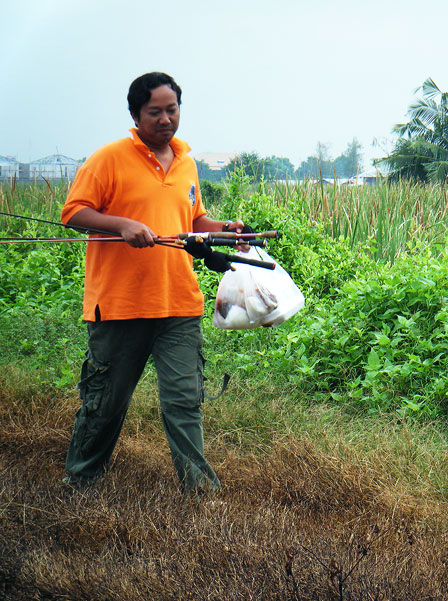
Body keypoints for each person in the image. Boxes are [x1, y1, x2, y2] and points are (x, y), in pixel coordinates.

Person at [61, 72, 244, 493]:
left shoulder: (186, 162)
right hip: (121, 304)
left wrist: (222, 229)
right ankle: (81, 479)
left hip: (178, 301)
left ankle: (200, 492)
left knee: (184, 401)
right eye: (155, 111)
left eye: (172, 109)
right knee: (105, 402)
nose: (166, 119)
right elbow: (74, 213)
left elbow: (192, 222)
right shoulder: (109, 158)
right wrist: (122, 224)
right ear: (135, 115)